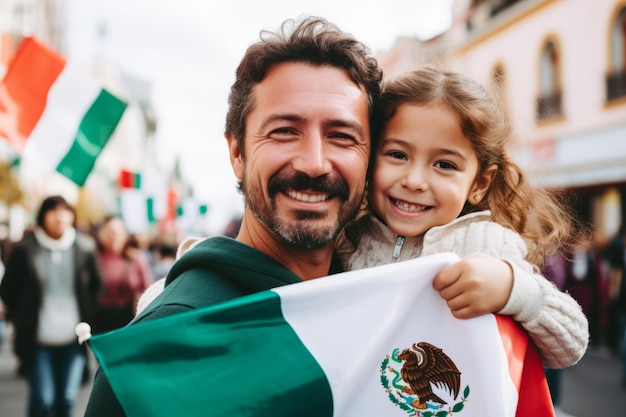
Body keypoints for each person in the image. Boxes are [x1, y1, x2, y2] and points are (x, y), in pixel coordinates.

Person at [84, 15, 382, 416]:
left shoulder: (385, 305)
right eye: (284, 131)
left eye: (342, 136)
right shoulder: (164, 343)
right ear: (237, 153)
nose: (314, 162)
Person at [337, 66, 589, 370]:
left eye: (444, 164)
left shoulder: (487, 245)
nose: (415, 180)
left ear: (479, 184)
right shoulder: (346, 239)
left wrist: (511, 289)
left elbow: (570, 344)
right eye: (397, 155)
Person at [0, 195, 102, 417]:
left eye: (65, 211)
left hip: (74, 339)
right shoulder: (24, 251)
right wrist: (21, 318)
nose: (60, 217)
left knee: (67, 398)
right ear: (42, 215)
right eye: (53, 211)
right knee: (43, 399)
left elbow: (96, 286)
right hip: (38, 339)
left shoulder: (84, 248)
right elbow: (8, 289)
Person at [92, 215, 153, 334]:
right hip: (100, 324)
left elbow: (148, 290)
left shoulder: (136, 259)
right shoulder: (94, 259)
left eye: (118, 232)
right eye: (110, 232)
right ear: (101, 235)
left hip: (131, 321)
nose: (114, 236)